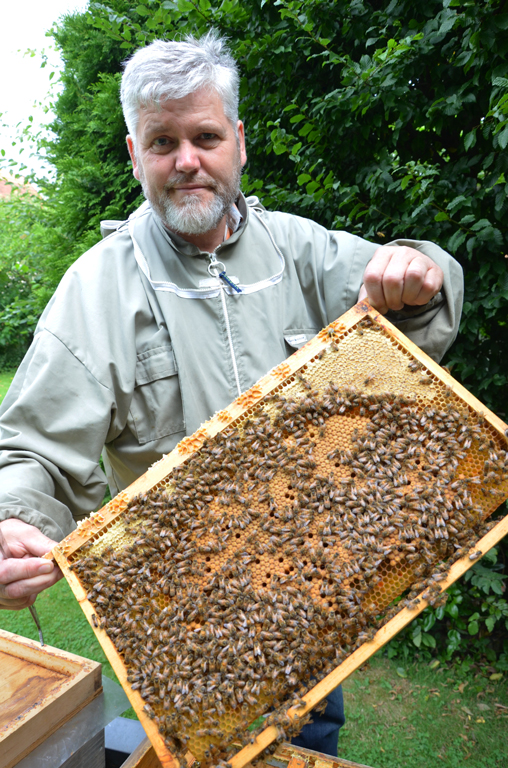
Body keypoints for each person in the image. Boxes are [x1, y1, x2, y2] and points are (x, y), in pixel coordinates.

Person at [0, 32, 463, 755]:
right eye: (163, 142)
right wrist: (15, 521)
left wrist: (420, 269)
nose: (187, 159)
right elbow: (32, 448)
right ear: (135, 155)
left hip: (313, 590)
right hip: (178, 623)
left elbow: (419, 304)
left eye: (205, 136)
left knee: (311, 740)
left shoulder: (301, 250)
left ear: (238, 143)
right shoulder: (95, 291)